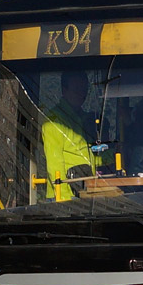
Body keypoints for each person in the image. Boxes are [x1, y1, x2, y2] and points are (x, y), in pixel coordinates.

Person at [42, 71, 99, 200]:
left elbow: (86, 155)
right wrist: (64, 200)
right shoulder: (54, 121)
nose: (81, 94)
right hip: (65, 197)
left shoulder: (83, 119)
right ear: (64, 90)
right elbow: (55, 164)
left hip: (84, 192)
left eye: (84, 89)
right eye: (77, 89)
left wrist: (112, 155)